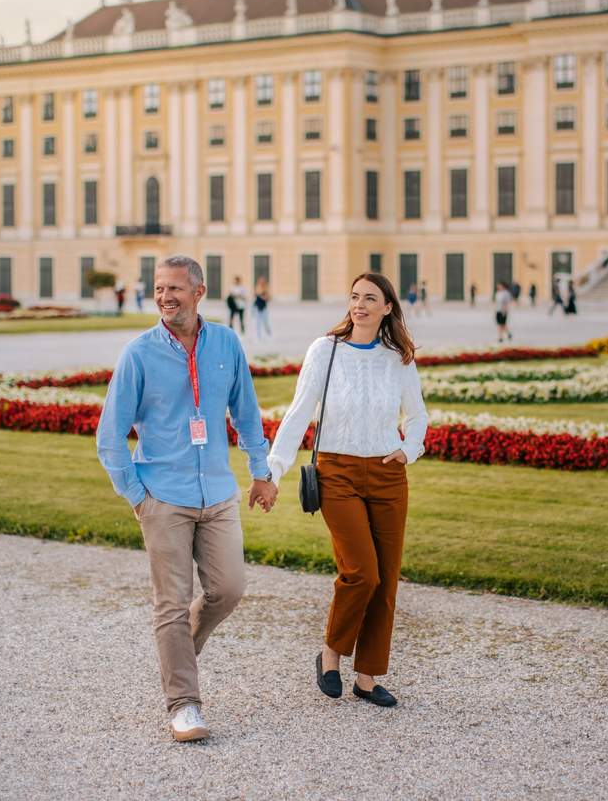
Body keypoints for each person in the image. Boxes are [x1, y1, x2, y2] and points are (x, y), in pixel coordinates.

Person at [96, 255, 278, 743]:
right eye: (158, 289)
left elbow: (246, 413)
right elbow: (109, 436)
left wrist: (261, 473)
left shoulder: (225, 343)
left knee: (229, 589)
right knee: (170, 604)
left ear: (199, 291)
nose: (164, 297)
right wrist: (138, 496)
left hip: (217, 493)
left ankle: (175, 656)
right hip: (165, 497)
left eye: (174, 288)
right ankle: (184, 703)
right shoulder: (138, 354)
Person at [267, 272, 427, 709]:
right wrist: (273, 469)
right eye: (355, 297)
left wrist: (408, 451)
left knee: (386, 579)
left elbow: (417, 416)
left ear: (387, 308)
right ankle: (330, 654)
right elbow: (299, 413)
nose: (359, 305)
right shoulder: (326, 350)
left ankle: (367, 677)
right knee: (362, 571)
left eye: (369, 299)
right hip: (336, 473)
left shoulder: (399, 358)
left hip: (387, 474)